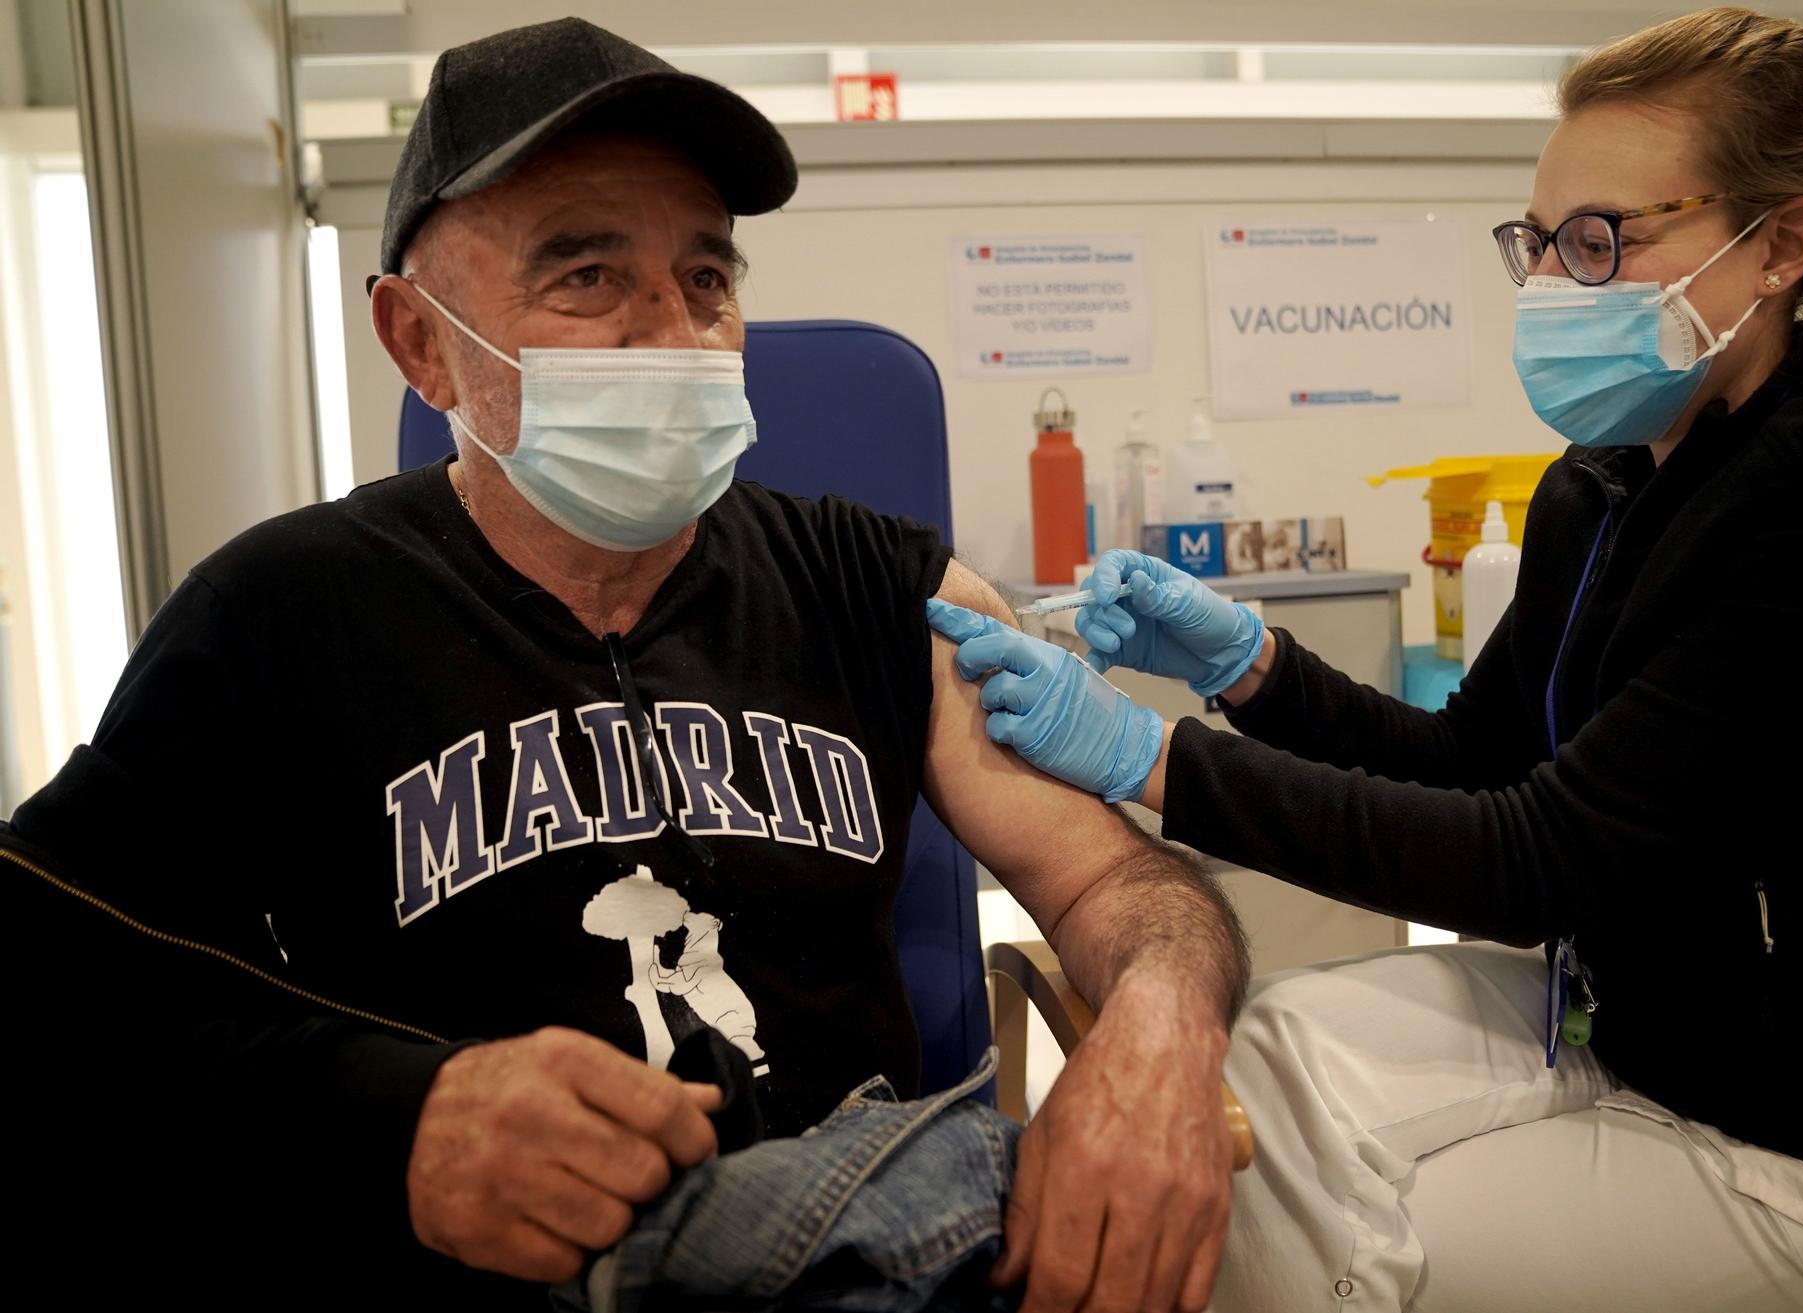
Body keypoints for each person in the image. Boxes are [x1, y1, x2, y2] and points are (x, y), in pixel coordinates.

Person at [0, 18, 1249, 1311]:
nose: (674, 334)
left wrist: (1157, 1031)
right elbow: (56, 987)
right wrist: (399, 1117)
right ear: (423, 344)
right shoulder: (279, 616)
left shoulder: (882, 590)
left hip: (876, 1237)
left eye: (706, 278)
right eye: (587, 275)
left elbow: (1120, 883)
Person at [928, 8, 1803, 1309]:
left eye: (1603, 240)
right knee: (1251, 1060)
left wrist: (1148, 758)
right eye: (1540, 242)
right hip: (1641, 1024)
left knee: (1283, 1212)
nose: (1554, 282)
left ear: (1781, 243)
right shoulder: (1606, 483)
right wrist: (1253, 665)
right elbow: (1474, 757)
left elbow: (1533, 861)